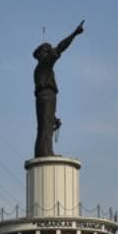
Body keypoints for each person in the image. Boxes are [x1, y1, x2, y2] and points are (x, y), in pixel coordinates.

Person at [32, 20, 84, 157]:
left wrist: (53, 118)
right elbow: (61, 47)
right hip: (47, 96)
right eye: (48, 50)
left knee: (46, 125)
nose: (50, 52)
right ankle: (44, 152)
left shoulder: (41, 69)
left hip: (45, 97)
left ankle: (45, 151)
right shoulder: (44, 64)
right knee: (45, 126)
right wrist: (75, 34)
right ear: (43, 53)